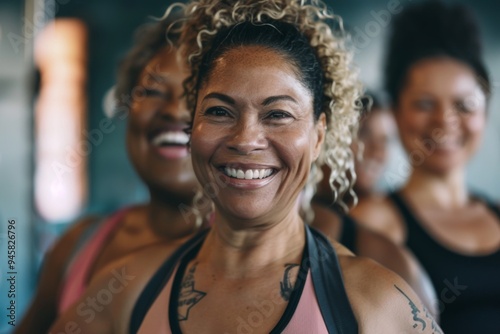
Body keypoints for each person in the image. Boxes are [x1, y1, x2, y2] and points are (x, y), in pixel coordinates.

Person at [50, 1, 442, 333]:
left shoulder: (374, 302)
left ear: (319, 134)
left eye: (277, 114)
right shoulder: (127, 289)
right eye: (220, 111)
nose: (245, 139)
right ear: (194, 128)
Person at [16, 18, 203, 334]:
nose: (174, 110)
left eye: (196, 93)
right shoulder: (79, 244)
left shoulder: (253, 254)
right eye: (153, 91)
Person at [351, 1, 500, 332]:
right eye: (424, 103)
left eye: (464, 105)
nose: (444, 122)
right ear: (397, 112)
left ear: (485, 112)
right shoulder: (372, 221)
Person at [310, 92, 437, 316]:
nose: (377, 151)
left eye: (386, 140)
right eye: (363, 133)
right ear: (326, 133)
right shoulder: (301, 214)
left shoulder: (376, 220)